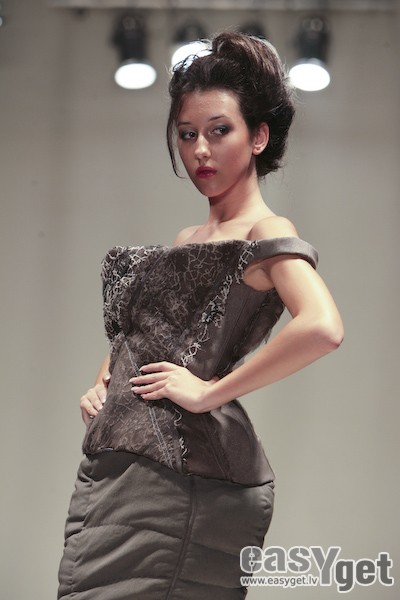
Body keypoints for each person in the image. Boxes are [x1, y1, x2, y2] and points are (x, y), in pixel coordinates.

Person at [57, 31, 343, 600]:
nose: (200, 151)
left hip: (182, 476)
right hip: (119, 467)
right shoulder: (189, 238)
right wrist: (102, 384)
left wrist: (209, 392)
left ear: (259, 136)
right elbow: (147, 332)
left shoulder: (265, 231)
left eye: (219, 131)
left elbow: (322, 327)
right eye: (187, 134)